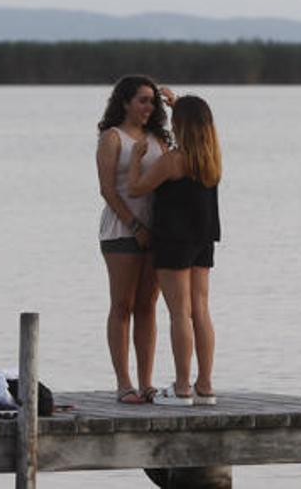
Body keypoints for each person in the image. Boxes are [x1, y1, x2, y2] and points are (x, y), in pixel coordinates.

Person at [128, 94, 222, 406]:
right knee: (201, 311)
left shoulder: (172, 161)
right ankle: (204, 385)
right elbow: (195, 115)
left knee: (179, 312)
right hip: (202, 239)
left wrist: (137, 160)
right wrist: (176, 100)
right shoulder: (211, 159)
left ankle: (182, 387)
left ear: (181, 125)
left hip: (173, 240)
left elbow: (136, 188)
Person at [96, 75, 172, 404]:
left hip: (157, 230)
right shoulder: (112, 138)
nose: (149, 107)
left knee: (148, 306)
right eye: (142, 100)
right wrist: (135, 225)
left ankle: (146, 382)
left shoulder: (158, 137)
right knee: (122, 305)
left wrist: (176, 104)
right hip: (121, 230)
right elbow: (108, 189)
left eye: (152, 101)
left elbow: (189, 149)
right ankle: (123, 383)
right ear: (125, 102)